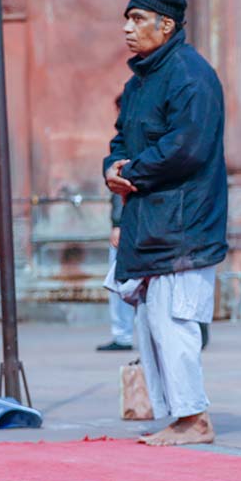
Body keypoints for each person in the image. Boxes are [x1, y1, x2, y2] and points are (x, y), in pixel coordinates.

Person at [103, 0, 226, 446]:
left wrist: (132, 171)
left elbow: (187, 147)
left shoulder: (191, 76)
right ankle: (177, 415)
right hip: (149, 219)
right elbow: (120, 138)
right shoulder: (141, 81)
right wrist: (111, 167)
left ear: (166, 24)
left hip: (185, 223)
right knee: (151, 325)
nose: (127, 29)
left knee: (175, 321)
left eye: (137, 19)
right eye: (127, 19)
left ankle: (195, 418)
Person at [97, 95, 136, 352]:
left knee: (121, 278)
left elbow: (120, 186)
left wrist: (118, 223)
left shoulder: (133, 136)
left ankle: (123, 334)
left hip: (130, 218)